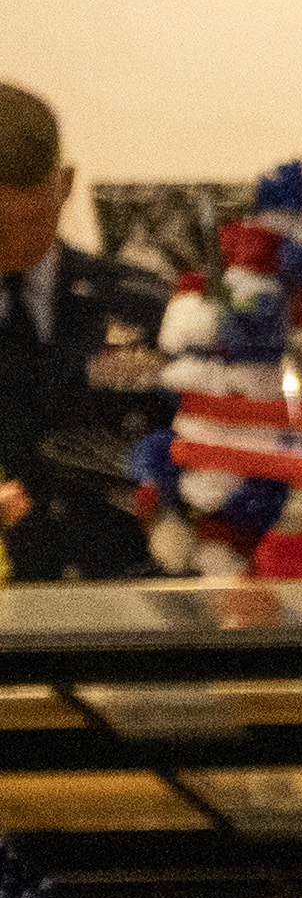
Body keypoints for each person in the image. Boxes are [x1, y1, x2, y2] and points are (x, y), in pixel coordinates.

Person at [1, 81, 165, 588]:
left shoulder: (141, 302)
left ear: (65, 185)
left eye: (36, 218)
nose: (20, 242)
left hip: (126, 592)